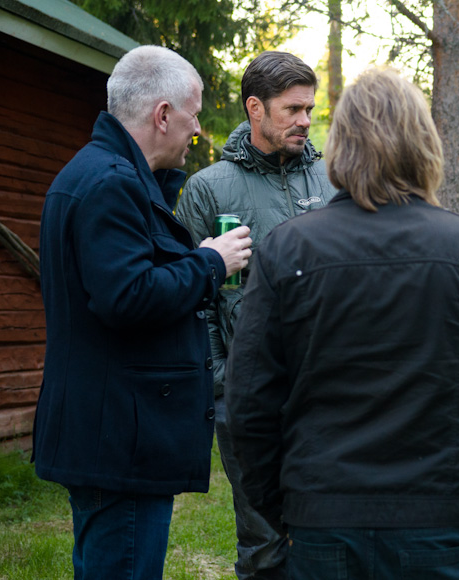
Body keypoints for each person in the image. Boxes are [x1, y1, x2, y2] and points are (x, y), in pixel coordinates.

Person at [223, 67, 459, 579]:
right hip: (430, 517)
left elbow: (248, 405)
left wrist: (279, 509)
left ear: (341, 146)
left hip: (325, 513)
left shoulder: (287, 248)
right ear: (425, 143)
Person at [33, 45, 253, 579]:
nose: (198, 129)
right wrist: (209, 262)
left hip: (107, 432)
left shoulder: (107, 175)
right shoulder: (111, 183)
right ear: (162, 115)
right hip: (120, 443)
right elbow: (127, 296)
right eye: (193, 113)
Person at [176, 50, 336, 580]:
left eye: (309, 109)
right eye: (292, 109)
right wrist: (223, 382)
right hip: (248, 399)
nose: (305, 121)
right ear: (255, 109)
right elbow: (192, 303)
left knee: (331, 537)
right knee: (265, 544)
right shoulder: (207, 188)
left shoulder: (335, 181)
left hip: (331, 395)